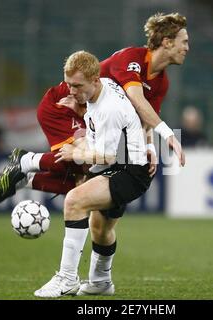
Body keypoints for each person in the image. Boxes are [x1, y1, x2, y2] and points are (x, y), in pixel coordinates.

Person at [0, 12, 188, 208]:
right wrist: (168, 135)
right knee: (81, 158)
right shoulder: (132, 58)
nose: (187, 48)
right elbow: (136, 98)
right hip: (62, 105)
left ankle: (23, 180)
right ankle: (24, 160)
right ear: (167, 42)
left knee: (86, 179)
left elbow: (143, 117)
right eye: (184, 41)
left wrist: (150, 147)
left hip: (88, 115)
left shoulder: (161, 83)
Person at [33, 51, 151, 298]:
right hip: (121, 165)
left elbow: (106, 156)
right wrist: (79, 145)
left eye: (77, 86)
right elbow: (99, 141)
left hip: (128, 171)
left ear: (95, 80)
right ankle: (101, 282)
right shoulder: (102, 88)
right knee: (100, 228)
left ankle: (67, 278)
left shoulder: (109, 108)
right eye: (68, 85)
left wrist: (74, 153)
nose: (72, 91)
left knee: (74, 201)